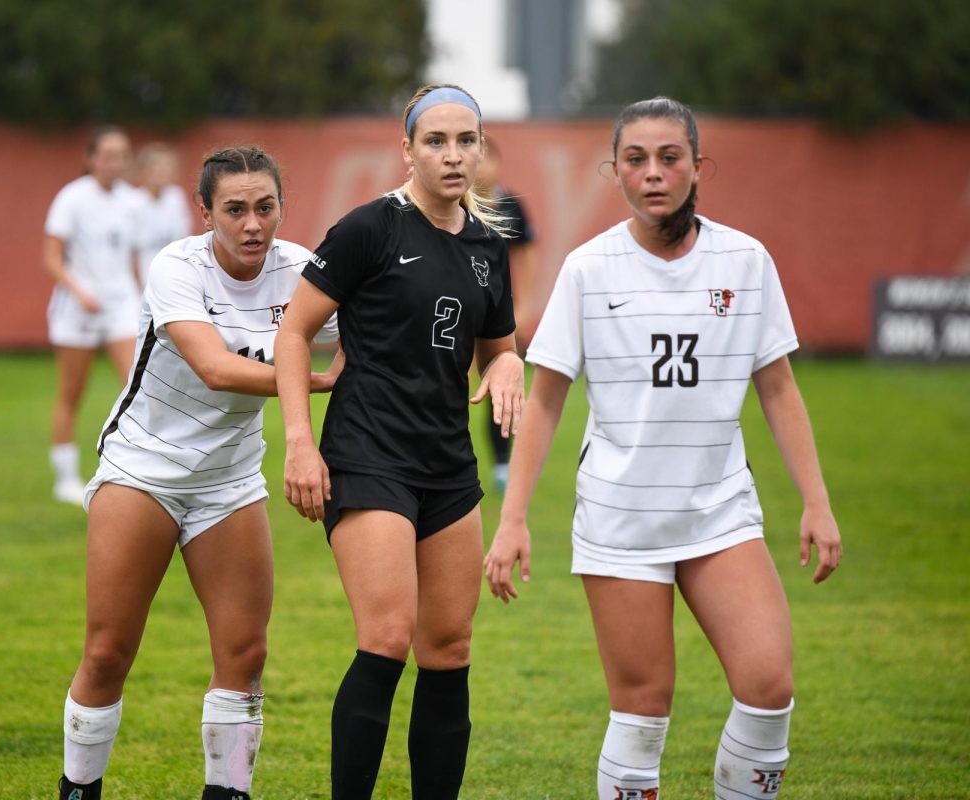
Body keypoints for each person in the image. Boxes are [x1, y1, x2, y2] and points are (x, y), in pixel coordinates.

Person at [483, 97, 843, 800]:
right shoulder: (588, 269)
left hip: (719, 512)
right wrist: (513, 518)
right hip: (621, 521)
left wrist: (817, 502)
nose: (654, 173)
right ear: (613, 170)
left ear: (698, 166)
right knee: (642, 713)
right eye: (636, 159)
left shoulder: (746, 260)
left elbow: (778, 388)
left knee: (768, 687)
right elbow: (547, 398)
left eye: (669, 157)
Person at [57, 146, 341, 800]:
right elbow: (214, 366)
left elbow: (371, 325)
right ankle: (77, 791)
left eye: (266, 208)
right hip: (142, 470)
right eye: (235, 209)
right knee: (107, 654)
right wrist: (315, 380)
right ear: (205, 211)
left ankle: (228, 794)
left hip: (231, 481)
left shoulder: (302, 270)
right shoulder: (176, 266)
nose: (252, 225)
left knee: (246, 657)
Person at [275, 84, 526, 800]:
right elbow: (293, 332)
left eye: (466, 141)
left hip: (447, 465)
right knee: (387, 635)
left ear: (481, 149)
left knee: (448, 649)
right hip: (366, 453)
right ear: (407, 149)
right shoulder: (370, 228)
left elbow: (498, 349)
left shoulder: (486, 247)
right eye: (437, 141)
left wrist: (508, 362)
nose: (453, 155)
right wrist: (300, 441)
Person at [43, 126, 142, 504]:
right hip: (77, 309)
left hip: (120, 305)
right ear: (91, 158)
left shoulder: (131, 201)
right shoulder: (72, 198)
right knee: (71, 392)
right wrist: (80, 291)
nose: (116, 162)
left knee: (138, 386)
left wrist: (142, 295)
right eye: (109, 154)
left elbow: (133, 257)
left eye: (122, 154)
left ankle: (130, 468)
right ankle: (65, 478)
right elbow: (50, 258)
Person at [474, 135, 538, 491]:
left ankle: (501, 465)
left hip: (495, 316)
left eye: (486, 158)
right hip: (454, 314)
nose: (480, 165)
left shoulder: (510, 205)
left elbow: (527, 253)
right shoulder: (451, 204)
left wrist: (523, 304)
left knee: (500, 386)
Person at [131, 142, 193, 288]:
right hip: (144, 278)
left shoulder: (176, 197)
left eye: (166, 168)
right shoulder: (134, 201)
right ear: (144, 170)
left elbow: (184, 238)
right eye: (156, 167)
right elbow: (130, 251)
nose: (161, 172)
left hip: (173, 274)